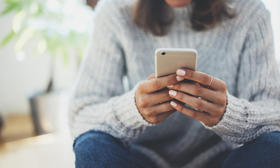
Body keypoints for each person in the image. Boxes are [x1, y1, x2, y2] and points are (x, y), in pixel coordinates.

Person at [69, 0, 280, 167]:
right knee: (91, 146)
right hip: (139, 159)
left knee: (273, 145)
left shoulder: (251, 12)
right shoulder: (114, 11)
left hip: (224, 159)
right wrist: (132, 110)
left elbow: (275, 114)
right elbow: (82, 116)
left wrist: (229, 113)